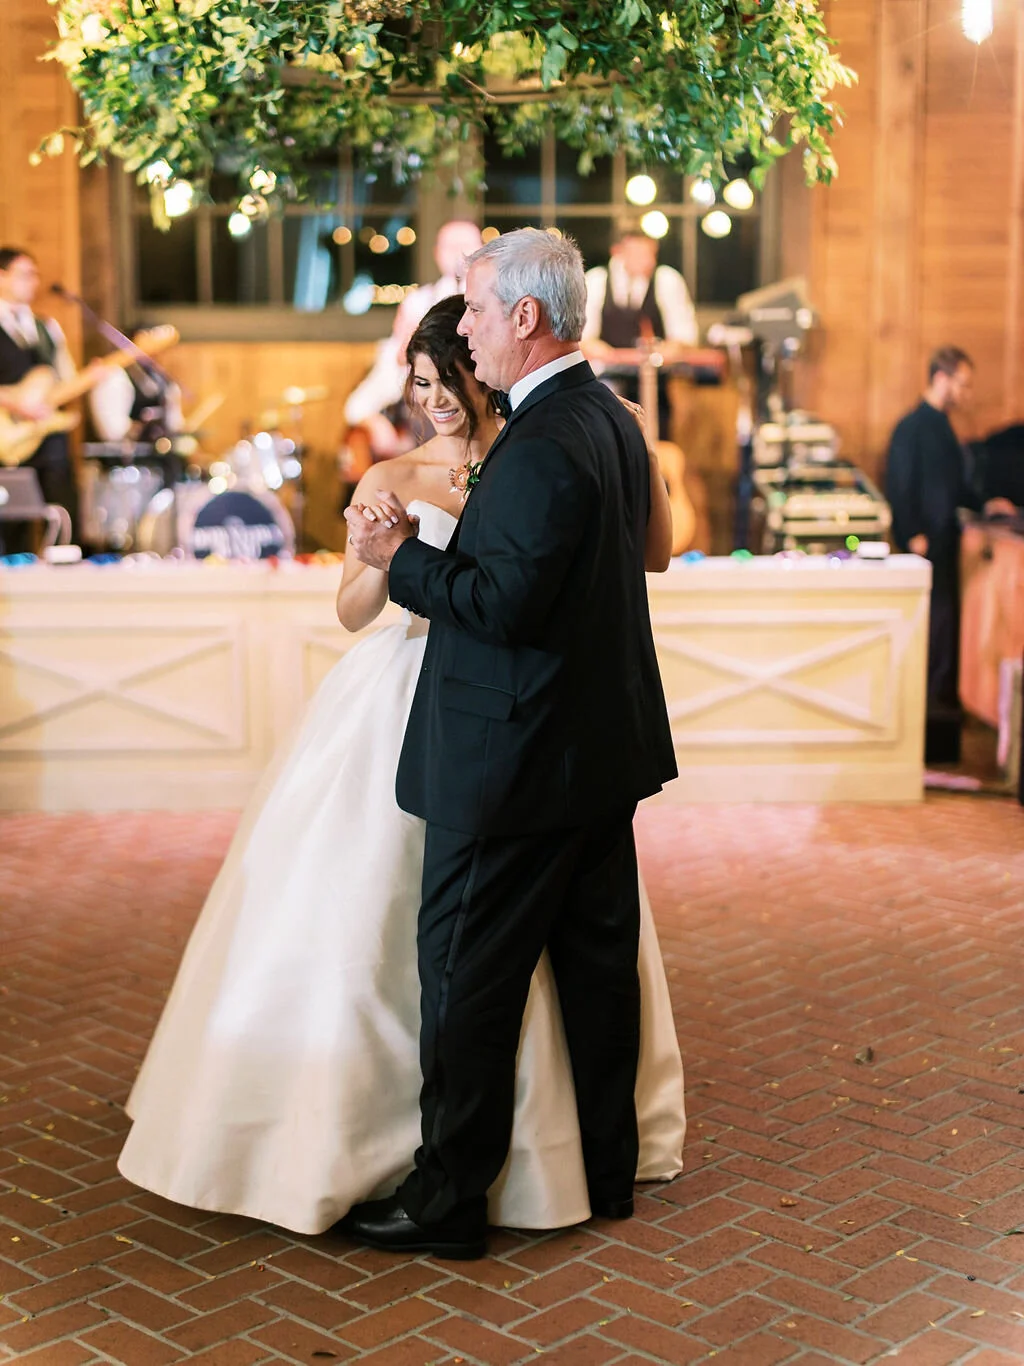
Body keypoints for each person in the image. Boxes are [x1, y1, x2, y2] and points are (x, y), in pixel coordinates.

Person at [116, 294, 685, 1239]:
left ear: (489, 362)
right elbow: (351, 608)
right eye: (421, 384)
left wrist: (411, 555)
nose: (436, 400)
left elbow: (531, 589)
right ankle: (479, 1152)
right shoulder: (424, 463)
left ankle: (470, 1181)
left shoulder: (534, 448)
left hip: (500, 718)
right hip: (421, 700)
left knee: (481, 954)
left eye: (450, 376)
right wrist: (380, 555)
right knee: (406, 927)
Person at [341, 229, 679, 1260]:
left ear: (524, 318)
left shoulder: (539, 440)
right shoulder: (609, 419)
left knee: (465, 978)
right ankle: (607, 1173)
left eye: (476, 311)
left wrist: (399, 557)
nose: (467, 330)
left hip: (512, 761)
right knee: (594, 973)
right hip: (592, 751)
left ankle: (446, 1200)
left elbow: (501, 601)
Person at [885, 346, 1015, 712]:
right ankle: (924, 703)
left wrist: (984, 504)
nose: (966, 394)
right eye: (963, 384)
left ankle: (940, 700)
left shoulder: (942, 426)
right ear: (941, 379)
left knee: (945, 625)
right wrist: (912, 533)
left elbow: (953, 486)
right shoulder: (911, 427)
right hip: (925, 542)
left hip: (944, 540)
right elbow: (899, 484)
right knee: (932, 623)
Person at [343, 221, 484, 463]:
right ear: (437, 253)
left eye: (466, 246)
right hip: (425, 415)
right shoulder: (417, 303)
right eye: (451, 247)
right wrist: (371, 417)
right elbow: (396, 364)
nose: (460, 255)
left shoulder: (490, 300)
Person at [581, 220, 698, 438]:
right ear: (618, 252)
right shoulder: (597, 280)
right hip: (607, 383)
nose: (649, 261)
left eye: (651, 254)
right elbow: (583, 338)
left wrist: (666, 351)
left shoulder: (667, 280)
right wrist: (607, 353)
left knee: (655, 440)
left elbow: (684, 336)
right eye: (640, 254)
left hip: (655, 383)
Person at [0, 247, 79, 539]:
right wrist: (17, 406)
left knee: (62, 508)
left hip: (47, 432)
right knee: (12, 516)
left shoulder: (46, 327)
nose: (33, 282)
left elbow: (65, 377)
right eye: (25, 274)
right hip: (7, 434)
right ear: (1, 277)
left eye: (35, 275)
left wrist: (93, 375)